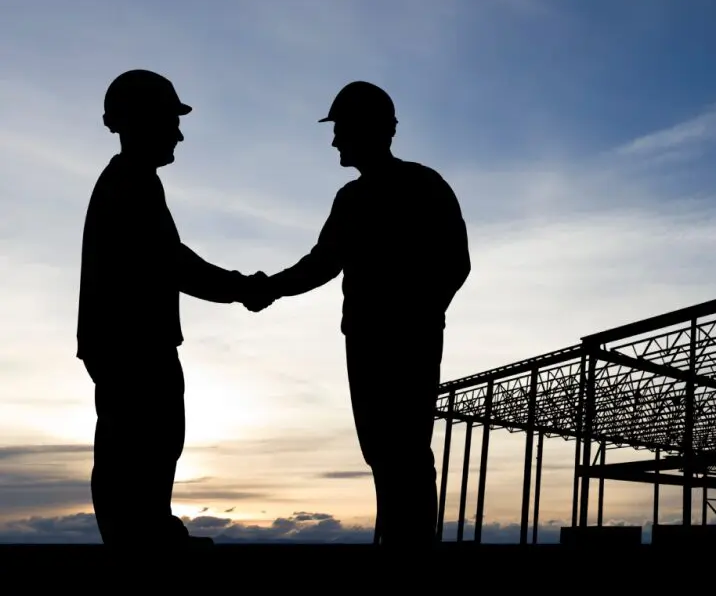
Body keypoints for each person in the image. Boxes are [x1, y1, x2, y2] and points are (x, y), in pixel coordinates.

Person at [245, 81, 470, 547]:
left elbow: (455, 262)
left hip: (401, 340)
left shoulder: (421, 186)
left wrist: (417, 315)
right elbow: (322, 264)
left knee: (403, 448)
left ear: (371, 130)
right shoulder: (354, 198)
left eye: (341, 129)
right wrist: (270, 287)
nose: (334, 141)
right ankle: (396, 540)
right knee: (384, 450)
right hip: (370, 340)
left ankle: (409, 546)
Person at [77, 69, 261, 549]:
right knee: (141, 441)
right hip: (132, 343)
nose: (179, 132)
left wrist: (239, 287)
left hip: (128, 341)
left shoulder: (132, 182)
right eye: (170, 119)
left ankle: (147, 530)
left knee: (149, 441)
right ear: (140, 120)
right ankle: (140, 541)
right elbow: (174, 264)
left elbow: (170, 262)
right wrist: (241, 288)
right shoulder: (129, 185)